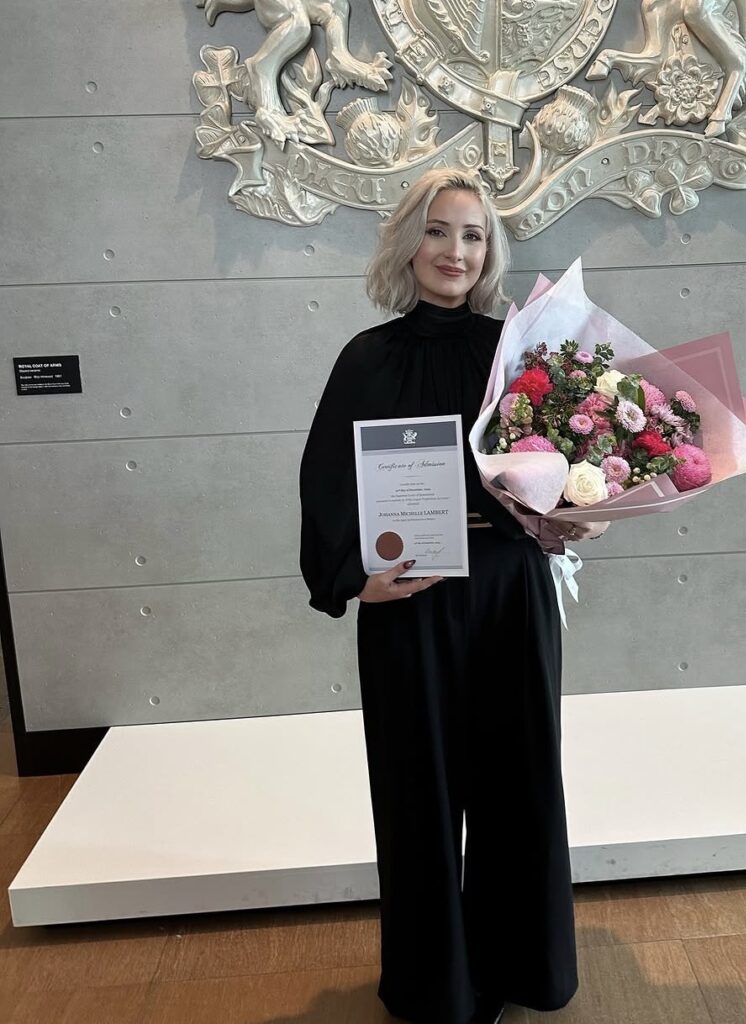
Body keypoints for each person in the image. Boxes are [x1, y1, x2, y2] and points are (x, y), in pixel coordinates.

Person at [298, 167, 608, 1024]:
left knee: (519, 781)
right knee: (418, 791)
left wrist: (582, 512)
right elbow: (325, 481)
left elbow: (564, 469)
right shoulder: (366, 358)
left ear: (489, 251)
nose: (455, 250)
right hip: (410, 599)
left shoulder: (521, 354)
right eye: (438, 230)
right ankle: (435, 985)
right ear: (409, 243)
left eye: (473, 235)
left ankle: (518, 967)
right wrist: (352, 580)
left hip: (510, 588)